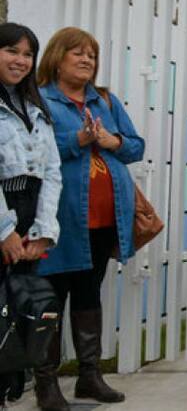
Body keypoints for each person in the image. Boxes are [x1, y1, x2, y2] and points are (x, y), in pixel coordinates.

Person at [35, 27, 145, 409]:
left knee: (88, 294)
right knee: (50, 297)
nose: (86, 61)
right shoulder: (41, 100)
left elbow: (135, 147)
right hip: (59, 219)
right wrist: (77, 141)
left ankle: (89, 376)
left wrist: (112, 141)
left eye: (91, 56)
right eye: (77, 53)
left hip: (103, 219)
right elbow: (33, 154)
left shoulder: (104, 101)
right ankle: (46, 384)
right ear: (57, 57)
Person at [0, 24, 62, 409]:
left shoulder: (35, 108)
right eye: (11, 51)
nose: (21, 61)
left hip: (28, 221)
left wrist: (41, 231)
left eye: (28, 54)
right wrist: (4, 230)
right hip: (4, 216)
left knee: (16, 316)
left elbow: (51, 173)